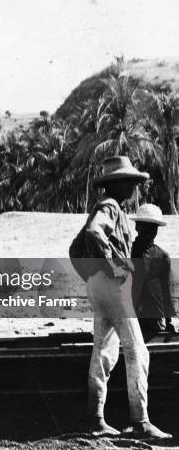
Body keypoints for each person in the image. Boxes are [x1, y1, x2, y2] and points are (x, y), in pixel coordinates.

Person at [83, 156, 171, 439]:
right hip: (111, 285)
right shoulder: (109, 207)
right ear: (118, 184)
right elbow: (94, 231)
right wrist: (112, 264)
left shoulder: (112, 207)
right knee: (138, 352)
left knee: (105, 352)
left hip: (98, 285)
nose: (135, 188)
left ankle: (97, 419)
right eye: (131, 183)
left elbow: (84, 242)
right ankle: (140, 420)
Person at [131, 203, 176, 339]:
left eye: (154, 228)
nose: (150, 232)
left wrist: (168, 321)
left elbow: (166, 291)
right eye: (146, 227)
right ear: (137, 227)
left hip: (154, 317)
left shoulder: (162, 256)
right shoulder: (127, 252)